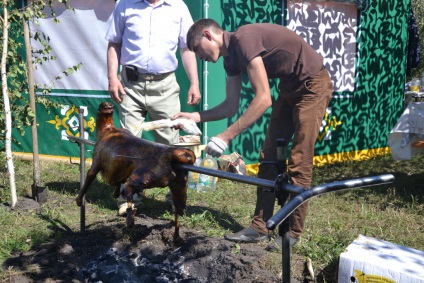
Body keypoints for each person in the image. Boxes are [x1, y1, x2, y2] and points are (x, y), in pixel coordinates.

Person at [173, 19, 333, 252]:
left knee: (299, 161)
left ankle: (292, 234)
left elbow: (263, 99)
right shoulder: (230, 60)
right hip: (290, 88)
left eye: (198, 49)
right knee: (268, 156)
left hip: (313, 85)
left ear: (208, 35)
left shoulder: (244, 39)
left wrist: (225, 137)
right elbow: (230, 106)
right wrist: (194, 117)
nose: (199, 57)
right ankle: (260, 228)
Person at [105, 0, 201, 216]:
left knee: (170, 147)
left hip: (165, 86)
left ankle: (176, 197)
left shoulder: (178, 7)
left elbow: (186, 48)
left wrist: (194, 82)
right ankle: (128, 198)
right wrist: (112, 78)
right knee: (128, 143)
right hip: (130, 85)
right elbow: (114, 43)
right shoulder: (125, 4)